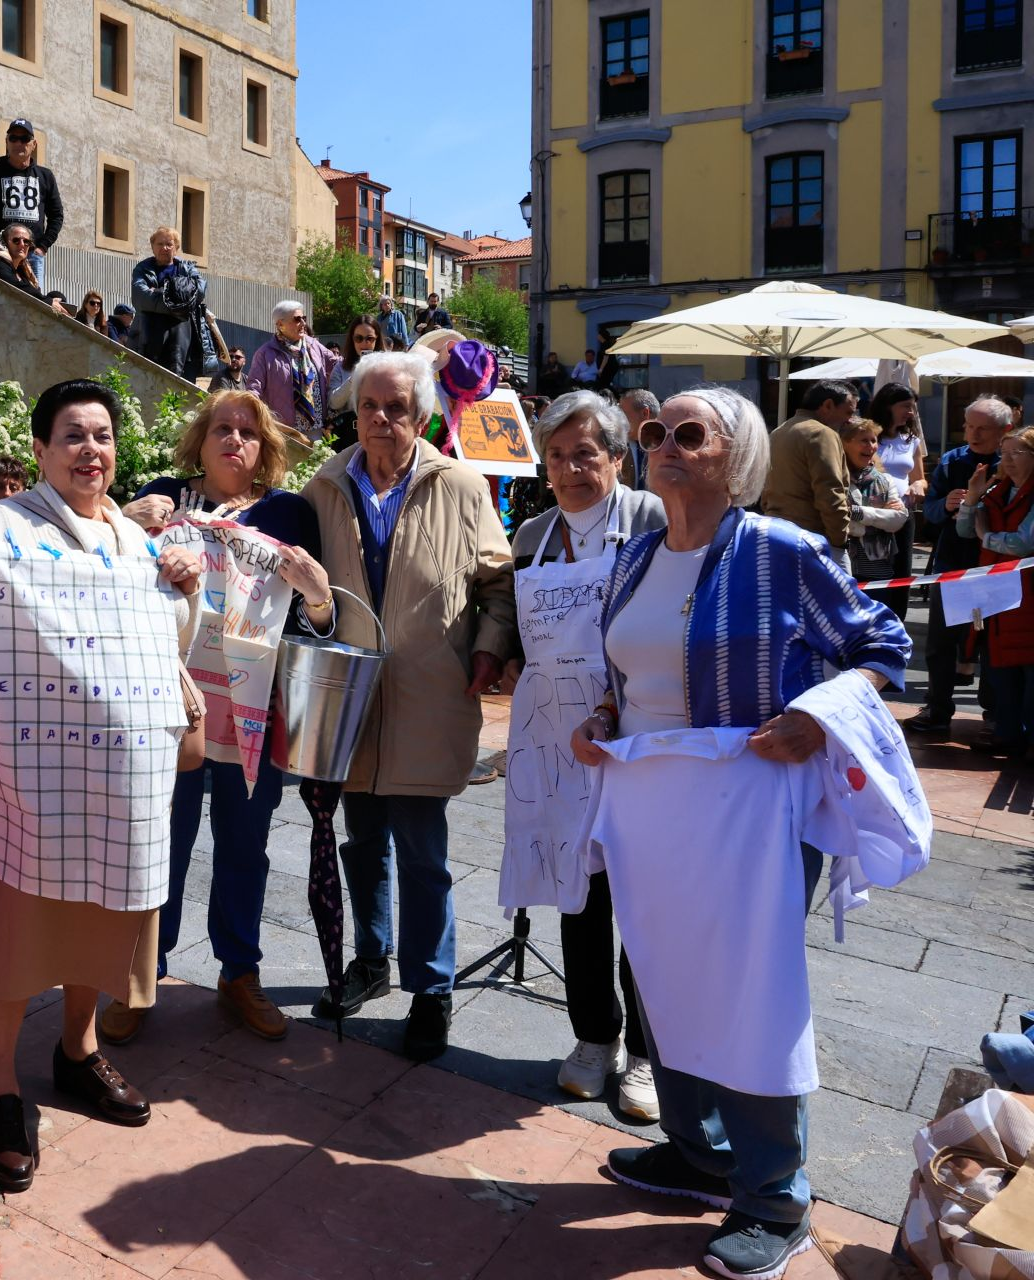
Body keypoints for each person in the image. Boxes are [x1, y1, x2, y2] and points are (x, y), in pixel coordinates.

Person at [572, 386, 908, 1280]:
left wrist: (818, 719)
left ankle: (774, 1200)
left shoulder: (780, 551)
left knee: (749, 994)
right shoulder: (634, 558)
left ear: (739, 457)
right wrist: (603, 718)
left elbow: (883, 645)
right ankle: (699, 1151)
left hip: (755, 806)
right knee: (660, 975)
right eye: (655, 432)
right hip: (651, 805)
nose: (665, 445)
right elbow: (630, 676)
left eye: (691, 434)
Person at [0, 378, 203, 1193]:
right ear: (41, 449)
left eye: (102, 436)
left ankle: (79, 1049)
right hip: (34, 783)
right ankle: (1, 1086)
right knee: (19, 931)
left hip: (124, 783)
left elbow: (171, 644)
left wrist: (187, 590)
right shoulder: (6, 528)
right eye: (73, 435)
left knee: (101, 922)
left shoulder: (135, 539)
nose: (91, 451)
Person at [299, 351, 515, 1059]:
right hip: (349, 703)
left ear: (422, 417)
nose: (381, 419)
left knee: (424, 854)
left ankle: (431, 988)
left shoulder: (461, 486)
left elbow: (498, 582)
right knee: (361, 844)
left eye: (396, 408)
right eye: (369, 406)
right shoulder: (324, 485)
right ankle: (371, 959)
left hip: (430, 695)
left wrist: (487, 651)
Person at [104, 390, 334, 1045]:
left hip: (251, 711)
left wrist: (319, 595)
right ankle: (142, 976)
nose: (235, 440)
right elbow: (111, 584)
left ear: (265, 448)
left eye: (249, 432)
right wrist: (125, 523)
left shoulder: (289, 513)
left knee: (244, 847)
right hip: (168, 706)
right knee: (159, 843)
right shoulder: (161, 498)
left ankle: (239, 973)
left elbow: (312, 619)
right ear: (199, 440)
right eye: (222, 429)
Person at [499, 390, 667, 1118]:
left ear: (618, 459)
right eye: (558, 455)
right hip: (556, 738)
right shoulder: (534, 532)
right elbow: (510, 613)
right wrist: (500, 654)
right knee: (578, 890)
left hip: (639, 734)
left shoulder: (653, 520)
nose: (571, 468)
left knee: (643, 897)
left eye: (586, 454)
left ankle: (648, 1055)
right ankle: (594, 1036)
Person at [909, 396, 1013, 738]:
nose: (973, 434)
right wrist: (945, 505)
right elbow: (931, 512)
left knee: (992, 642)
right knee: (942, 642)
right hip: (953, 564)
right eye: (969, 426)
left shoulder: (1013, 462)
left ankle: (995, 713)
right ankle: (937, 709)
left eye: (982, 428)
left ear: (1005, 430)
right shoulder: (953, 460)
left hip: (998, 567)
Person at [955, 426, 1034, 756]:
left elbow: (1025, 543)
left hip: (1027, 593)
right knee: (999, 665)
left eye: (1017, 453)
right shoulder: (996, 491)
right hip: (995, 592)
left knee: (1029, 668)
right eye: (1005, 453)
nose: (1008, 460)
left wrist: (986, 537)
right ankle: (1007, 732)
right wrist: (972, 497)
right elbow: (964, 529)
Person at [761, 378, 857, 569]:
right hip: (815, 540)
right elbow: (830, 493)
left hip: (778, 535)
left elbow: (765, 489)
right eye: (848, 412)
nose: (850, 420)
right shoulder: (821, 433)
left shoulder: (778, 432)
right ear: (828, 405)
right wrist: (839, 539)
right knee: (838, 590)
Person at [0, 118, 61, 281]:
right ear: (6, 142)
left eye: (24, 139)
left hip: (31, 255)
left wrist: (42, 247)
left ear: (34, 144)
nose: (19, 143)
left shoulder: (46, 176)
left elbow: (57, 215)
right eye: (13, 138)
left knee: (32, 297)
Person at [866, 382, 926, 619]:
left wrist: (918, 485)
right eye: (905, 406)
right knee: (872, 570)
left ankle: (898, 622)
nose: (910, 412)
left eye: (913, 407)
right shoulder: (868, 437)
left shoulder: (911, 440)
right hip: (873, 515)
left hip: (903, 515)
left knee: (902, 571)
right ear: (888, 405)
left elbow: (920, 478)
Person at [248, 299, 339, 444]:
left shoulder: (313, 345)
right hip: (284, 433)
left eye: (304, 318)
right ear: (280, 325)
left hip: (316, 428)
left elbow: (337, 364)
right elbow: (254, 389)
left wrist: (359, 359)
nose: (303, 323)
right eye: (297, 319)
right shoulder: (265, 354)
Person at [839, 418, 910, 597]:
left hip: (878, 573)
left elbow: (898, 520)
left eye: (874, 440)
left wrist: (857, 513)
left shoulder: (884, 480)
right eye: (864, 440)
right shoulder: (835, 480)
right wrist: (880, 518)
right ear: (845, 443)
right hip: (841, 569)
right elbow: (837, 520)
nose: (871, 446)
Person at [132, 226, 209, 378]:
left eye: (169, 244)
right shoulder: (142, 269)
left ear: (176, 248)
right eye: (160, 244)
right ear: (153, 247)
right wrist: (178, 300)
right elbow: (141, 298)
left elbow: (200, 292)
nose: (164, 248)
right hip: (150, 336)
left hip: (183, 338)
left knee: (179, 381)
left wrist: (157, 291)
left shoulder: (188, 268)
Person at [326, 313, 383, 448]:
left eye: (369, 338)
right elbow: (333, 403)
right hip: (349, 434)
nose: (364, 343)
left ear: (377, 339)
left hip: (380, 431)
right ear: (352, 339)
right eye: (359, 338)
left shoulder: (389, 366)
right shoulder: (341, 367)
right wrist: (354, 377)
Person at [0, 221, 45, 298]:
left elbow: (35, 291)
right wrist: (48, 301)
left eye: (26, 241)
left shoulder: (24, 269)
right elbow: (14, 287)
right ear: (5, 243)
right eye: (16, 240)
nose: (22, 244)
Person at [617, 388, 660, 488]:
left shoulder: (670, 447)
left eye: (623, 415)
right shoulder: (619, 446)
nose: (620, 421)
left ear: (645, 413)